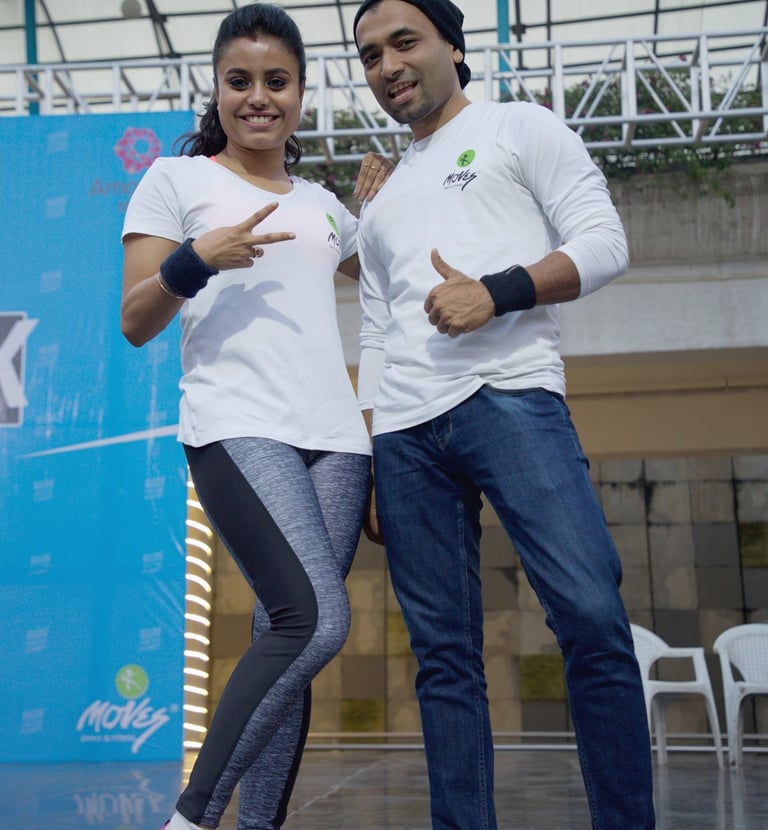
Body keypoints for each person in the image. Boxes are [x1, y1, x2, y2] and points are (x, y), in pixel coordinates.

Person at [352, 1, 656, 828]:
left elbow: (604, 242)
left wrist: (496, 292)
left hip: (513, 398)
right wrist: (373, 449)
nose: (388, 66)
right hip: (408, 434)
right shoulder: (381, 196)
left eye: (405, 42)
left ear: (454, 45)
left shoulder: (523, 127)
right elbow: (375, 329)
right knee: (443, 659)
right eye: (371, 54)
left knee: (592, 618)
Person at [120, 5, 392, 829]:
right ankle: (193, 817)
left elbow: (386, 283)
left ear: (302, 93)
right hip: (238, 423)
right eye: (240, 82)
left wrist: (388, 195)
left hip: (337, 440)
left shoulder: (319, 203)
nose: (258, 98)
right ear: (217, 90)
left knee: (293, 640)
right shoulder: (178, 181)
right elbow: (136, 319)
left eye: (277, 81)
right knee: (317, 618)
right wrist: (194, 260)